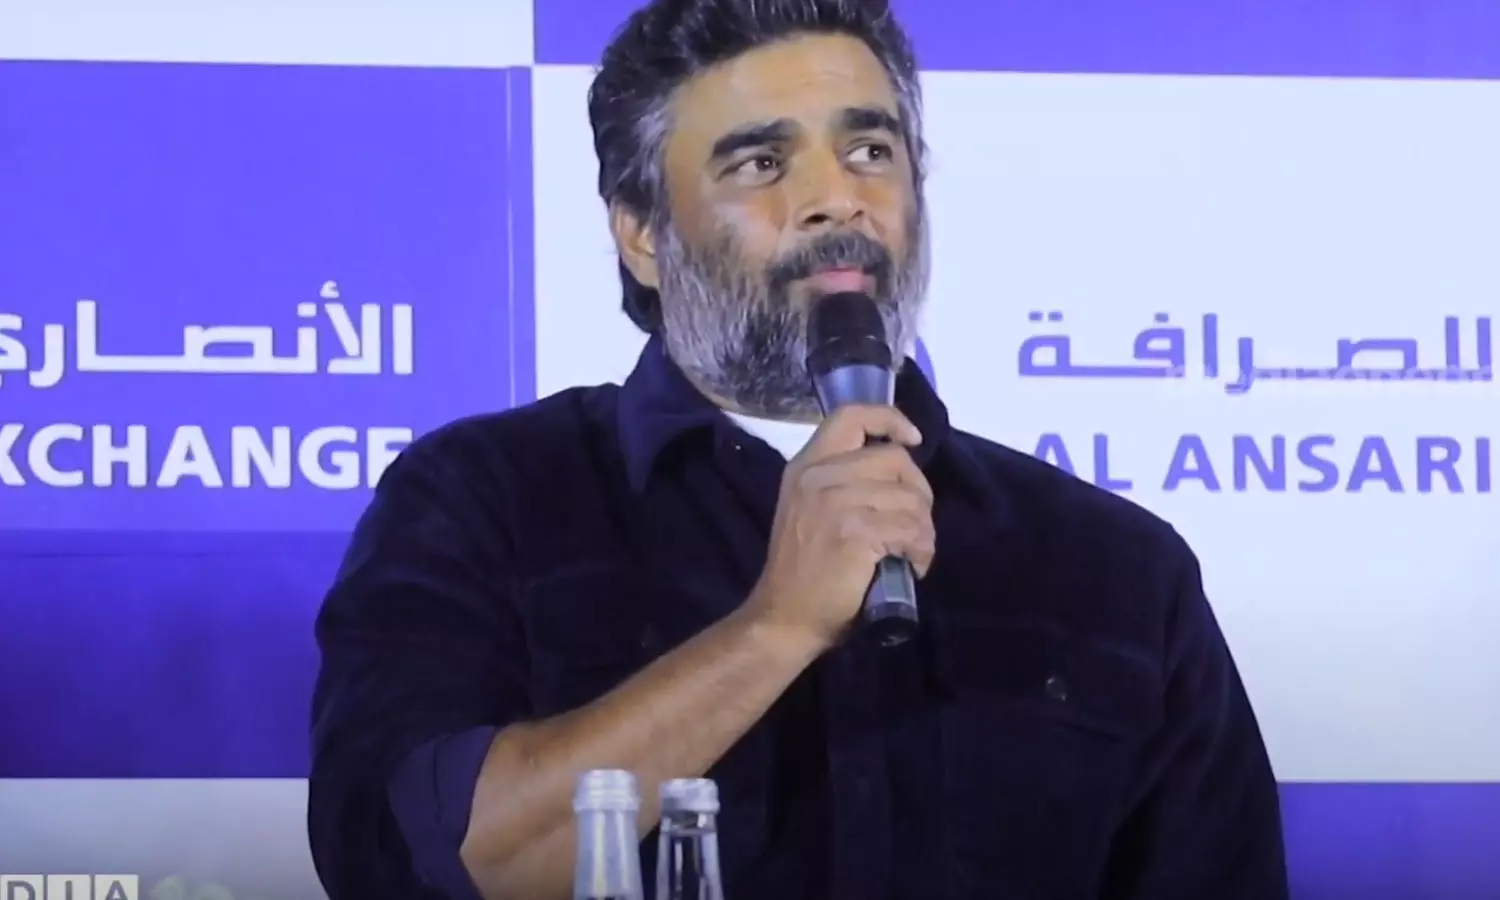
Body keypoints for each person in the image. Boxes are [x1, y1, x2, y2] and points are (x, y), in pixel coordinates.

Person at [307, 0, 1289, 897]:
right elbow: (406, 866)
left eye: (869, 149)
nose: (836, 200)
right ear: (642, 234)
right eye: (761, 164)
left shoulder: (1114, 567)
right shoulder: (484, 499)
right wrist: (773, 628)